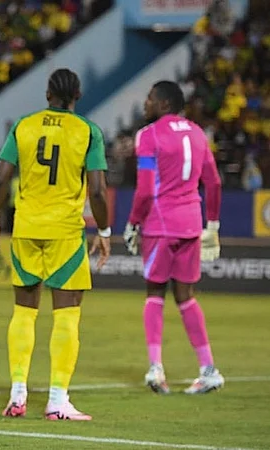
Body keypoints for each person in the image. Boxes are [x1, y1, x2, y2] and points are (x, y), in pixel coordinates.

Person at [0, 68, 111, 421]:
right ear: (77, 96)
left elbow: (0, 179)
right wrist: (105, 231)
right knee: (67, 314)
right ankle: (57, 400)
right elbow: (98, 191)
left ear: (47, 94)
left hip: (26, 228)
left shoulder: (24, 126)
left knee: (24, 311)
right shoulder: (88, 131)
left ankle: (18, 394)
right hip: (66, 232)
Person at [123, 81, 224, 395]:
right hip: (192, 223)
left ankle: (155, 368)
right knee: (186, 297)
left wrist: (132, 223)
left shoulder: (148, 135)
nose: (146, 104)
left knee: (155, 293)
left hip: (160, 223)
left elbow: (144, 189)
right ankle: (209, 370)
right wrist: (213, 225)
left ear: (164, 103)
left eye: (150, 99)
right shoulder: (198, 134)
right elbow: (215, 183)